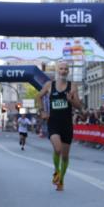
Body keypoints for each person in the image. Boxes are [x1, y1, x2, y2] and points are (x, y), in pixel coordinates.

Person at [38, 60, 83, 191]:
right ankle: (56, 172)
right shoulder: (49, 85)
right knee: (57, 149)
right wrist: (42, 111)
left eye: (65, 69)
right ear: (57, 71)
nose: (63, 71)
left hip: (67, 124)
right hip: (53, 122)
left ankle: (61, 180)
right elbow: (38, 97)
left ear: (68, 71)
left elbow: (79, 106)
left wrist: (71, 100)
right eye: (61, 69)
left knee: (65, 155)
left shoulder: (73, 86)